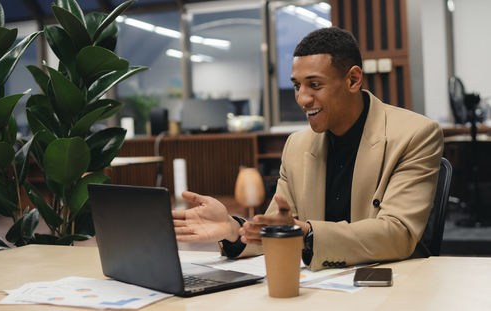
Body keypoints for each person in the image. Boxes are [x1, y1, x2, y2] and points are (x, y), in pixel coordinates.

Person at [172, 27, 443, 271]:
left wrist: (307, 233)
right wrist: (233, 229)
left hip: (393, 283)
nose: (302, 99)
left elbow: (398, 234)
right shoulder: (296, 146)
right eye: (296, 85)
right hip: (321, 289)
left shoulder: (414, 134)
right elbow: (277, 229)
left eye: (315, 85)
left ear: (353, 80)